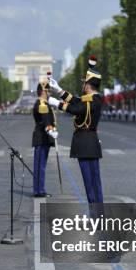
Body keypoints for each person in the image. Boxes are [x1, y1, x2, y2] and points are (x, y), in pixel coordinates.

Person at [47, 56, 103, 215]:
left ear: (89, 84)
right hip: (88, 144)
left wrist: (56, 103)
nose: (83, 85)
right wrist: (59, 91)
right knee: (92, 182)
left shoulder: (95, 100)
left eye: (85, 82)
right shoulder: (90, 99)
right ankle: (98, 215)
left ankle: (96, 216)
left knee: (92, 183)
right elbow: (76, 101)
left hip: (86, 144)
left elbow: (77, 109)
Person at [32, 81, 57, 198]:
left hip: (44, 138)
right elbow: (45, 120)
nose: (50, 93)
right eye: (48, 91)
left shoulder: (44, 103)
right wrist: (51, 130)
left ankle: (39, 189)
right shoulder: (41, 104)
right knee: (39, 166)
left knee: (41, 165)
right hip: (42, 138)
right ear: (43, 91)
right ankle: (39, 190)